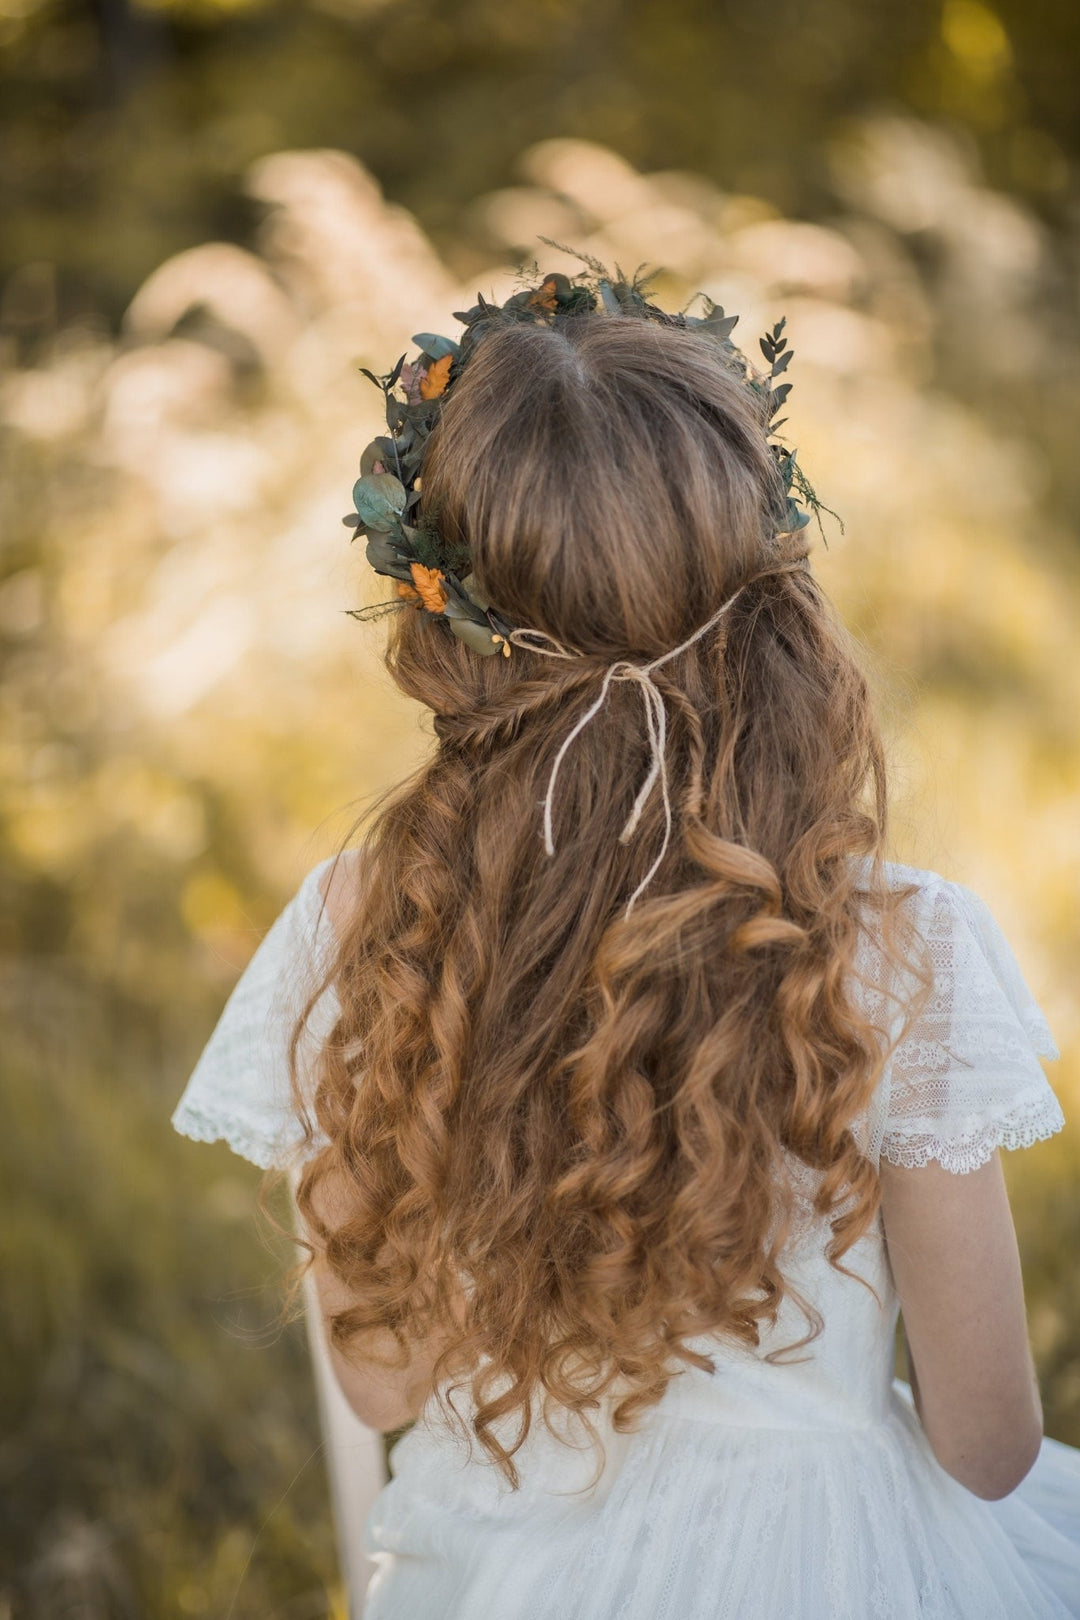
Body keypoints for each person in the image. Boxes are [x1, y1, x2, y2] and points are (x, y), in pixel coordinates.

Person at [173, 266, 1080, 1619]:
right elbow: (990, 1446)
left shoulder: (365, 925)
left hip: (504, 1570)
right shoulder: (902, 944)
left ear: (449, 621)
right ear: (770, 596)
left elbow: (379, 1385)